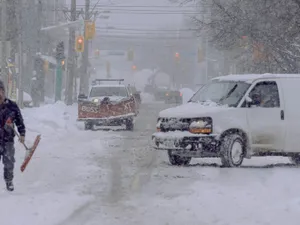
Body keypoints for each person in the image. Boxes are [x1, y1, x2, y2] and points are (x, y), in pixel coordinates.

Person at [0, 80, 25, 191]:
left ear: (4, 92)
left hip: (8, 140)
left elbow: (19, 121)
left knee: (9, 161)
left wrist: (22, 134)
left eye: (0, 91)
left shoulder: (12, 106)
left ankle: (9, 181)